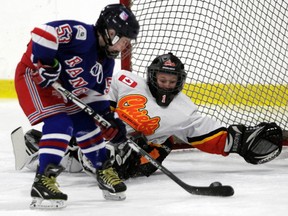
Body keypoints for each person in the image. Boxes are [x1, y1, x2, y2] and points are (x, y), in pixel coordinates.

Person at [20, 53, 283, 182]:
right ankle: (51, 146)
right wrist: (105, 118)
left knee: (124, 163)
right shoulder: (126, 80)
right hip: (109, 134)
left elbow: (209, 134)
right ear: (152, 76)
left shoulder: (184, 109)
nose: (167, 85)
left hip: (143, 147)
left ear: (180, 82)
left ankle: (67, 153)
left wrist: (237, 142)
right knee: (95, 145)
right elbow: (98, 94)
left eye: (172, 81)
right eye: (162, 79)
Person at [14, 3, 139, 209]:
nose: (124, 47)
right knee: (61, 124)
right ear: (110, 32)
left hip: (64, 90)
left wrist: (107, 119)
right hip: (34, 79)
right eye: (124, 40)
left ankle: (103, 169)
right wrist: (47, 64)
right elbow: (43, 33)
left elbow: (95, 96)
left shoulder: (107, 62)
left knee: (87, 125)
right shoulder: (81, 34)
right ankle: (43, 181)